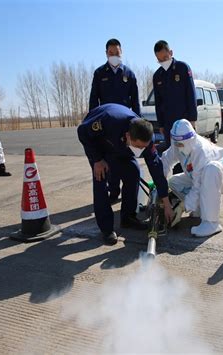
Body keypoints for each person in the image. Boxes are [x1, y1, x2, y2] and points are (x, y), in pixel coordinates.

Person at [77, 103, 173, 245]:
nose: (141, 150)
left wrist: (166, 203)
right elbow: (82, 131)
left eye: (144, 147)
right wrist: (97, 159)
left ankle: (128, 218)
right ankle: (106, 229)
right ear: (128, 136)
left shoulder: (146, 140)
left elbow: (156, 170)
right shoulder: (109, 120)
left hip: (122, 149)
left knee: (133, 171)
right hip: (101, 147)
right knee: (101, 180)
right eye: (138, 146)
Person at [161, 119, 223, 237]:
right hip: (201, 176)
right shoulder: (178, 143)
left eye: (181, 144)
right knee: (174, 182)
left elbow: (198, 186)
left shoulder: (202, 151)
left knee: (211, 169)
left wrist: (183, 206)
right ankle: (200, 208)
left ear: (190, 140)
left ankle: (211, 223)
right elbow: (166, 159)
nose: (178, 146)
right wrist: (160, 185)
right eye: (176, 143)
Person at [89, 38, 141, 202]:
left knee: (124, 156)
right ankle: (113, 190)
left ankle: (128, 192)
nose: (114, 56)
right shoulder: (99, 73)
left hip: (125, 123)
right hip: (106, 124)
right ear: (106, 54)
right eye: (110, 53)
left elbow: (135, 101)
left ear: (121, 52)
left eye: (116, 53)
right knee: (109, 157)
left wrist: (137, 123)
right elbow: (93, 99)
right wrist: (93, 120)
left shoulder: (129, 74)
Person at [152, 40, 197, 149]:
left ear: (171, 53)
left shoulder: (182, 68)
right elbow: (158, 102)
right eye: (159, 60)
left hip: (184, 121)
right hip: (168, 124)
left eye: (165, 58)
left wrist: (192, 119)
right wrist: (161, 124)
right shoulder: (157, 76)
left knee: (187, 153)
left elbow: (191, 94)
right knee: (172, 153)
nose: (162, 61)